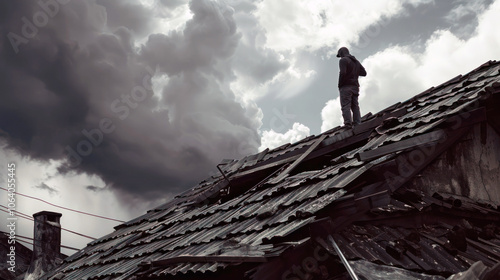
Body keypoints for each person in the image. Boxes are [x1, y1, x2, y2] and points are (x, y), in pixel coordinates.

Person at [336, 47, 367, 127]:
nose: (340, 57)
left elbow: (343, 73)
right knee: (355, 106)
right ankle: (358, 123)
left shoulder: (343, 60)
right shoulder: (356, 62)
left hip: (346, 86)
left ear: (341, 53)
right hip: (355, 87)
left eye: (340, 55)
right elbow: (364, 73)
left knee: (346, 105)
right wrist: (354, 71)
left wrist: (340, 84)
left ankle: (348, 123)